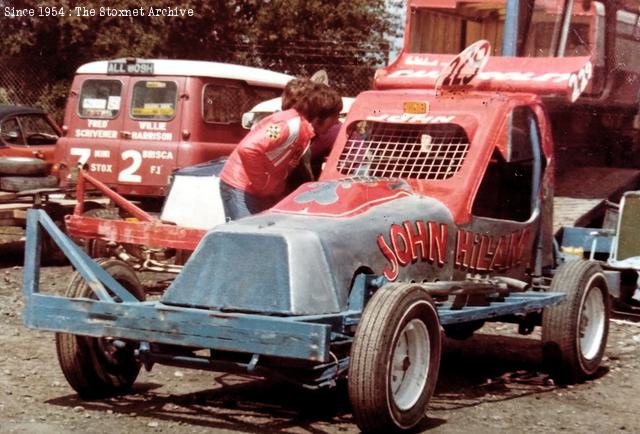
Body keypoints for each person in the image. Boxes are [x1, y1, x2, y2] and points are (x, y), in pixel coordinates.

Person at [219, 79, 342, 220]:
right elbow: (248, 149)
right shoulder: (289, 125)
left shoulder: (304, 129)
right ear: (322, 116)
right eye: (335, 117)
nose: (335, 123)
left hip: (255, 190)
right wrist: (263, 184)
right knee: (246, 238)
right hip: (241, 186)